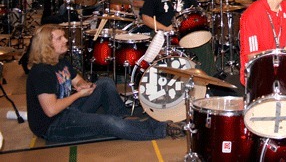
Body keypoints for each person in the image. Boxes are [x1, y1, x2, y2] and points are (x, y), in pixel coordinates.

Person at [26, 24, 184, 142]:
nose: (66, 40)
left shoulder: (60, 61)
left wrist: (83, 85)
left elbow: (77, 80)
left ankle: (122, 117)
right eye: (60, 38)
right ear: (47, 45)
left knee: (105, 83)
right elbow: (51, 109)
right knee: (107, 123)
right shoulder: (41, 72)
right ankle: (162, 129)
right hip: (53, 126)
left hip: (67, 110)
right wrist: (79, 95)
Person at [141, 0, 215, 76]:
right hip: (163, 33)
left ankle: (206, 80)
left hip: (185, 32)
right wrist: (165, 28)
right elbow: (146, 17)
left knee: (204, 46)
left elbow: (195, 13)